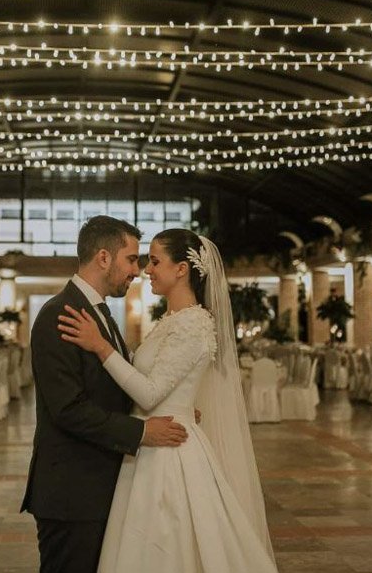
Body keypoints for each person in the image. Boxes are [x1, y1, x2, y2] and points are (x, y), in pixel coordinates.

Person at [58, 229, 277, 573]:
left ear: (181, 270)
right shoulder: (171, 321)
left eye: (155, 261)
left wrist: (100, 346)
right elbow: (158, 381)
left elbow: (148, 392)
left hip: (169, 455)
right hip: (149, 444)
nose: (146, 269)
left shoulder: (193, 324)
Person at [21, 216, 191, 573]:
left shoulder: (100, 314)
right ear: (103, 258)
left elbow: (114, 388)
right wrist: (143, 432)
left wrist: (177, 408)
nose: (138, 270)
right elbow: (69, 409)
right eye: (131, 259)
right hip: (72, 493)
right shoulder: (58, 315)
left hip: (100, 487)